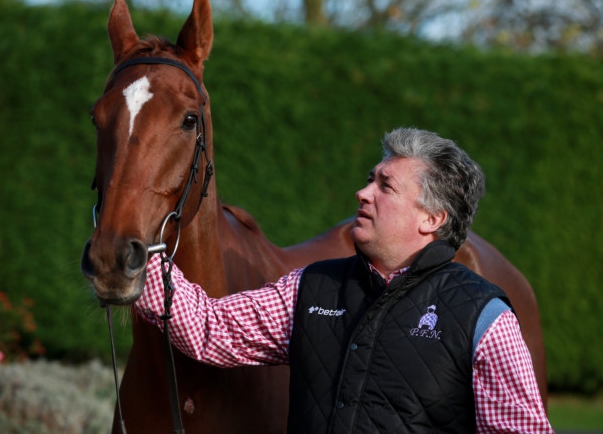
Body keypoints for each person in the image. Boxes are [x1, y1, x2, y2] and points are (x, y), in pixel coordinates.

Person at [135, 127, 553, 433]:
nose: (362, 192)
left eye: (384, 186)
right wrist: (139, 255)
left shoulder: (485, 318)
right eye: (371, 178)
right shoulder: (309, 288)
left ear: (431, 218)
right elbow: (211, 329)